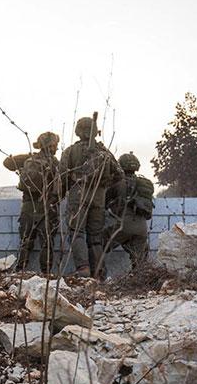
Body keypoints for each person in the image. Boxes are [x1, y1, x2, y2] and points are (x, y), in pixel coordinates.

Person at [60, 116, 123, 278]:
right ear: (95, 132)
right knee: (95, 236)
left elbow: (61, 175)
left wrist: (66, 190)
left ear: (78, 132)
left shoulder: (71, 151)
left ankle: (83, 269)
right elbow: (119, 174)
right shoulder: (104, 152)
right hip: (99, 196)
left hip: (78, 194)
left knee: (76, 232)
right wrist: (103, 186)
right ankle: (99, 271)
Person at [15, 132, 61, 273]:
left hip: (28, 206)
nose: (57, 148)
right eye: (55, 146)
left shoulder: (30, 160)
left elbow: (7, 162)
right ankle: (45, 273)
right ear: (52, 146)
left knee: (25, 241)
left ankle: (20, 271)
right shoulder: (55, 163)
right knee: (47, 243)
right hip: (47, 206)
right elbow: (61, 186)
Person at [104, 152, 154, 270]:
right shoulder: (143, 184)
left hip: (123, 225)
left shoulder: (116, 183)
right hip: (142, 227)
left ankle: (95, 277)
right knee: (140, 262)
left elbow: (103, 203)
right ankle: (140, 283)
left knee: (97, 245)